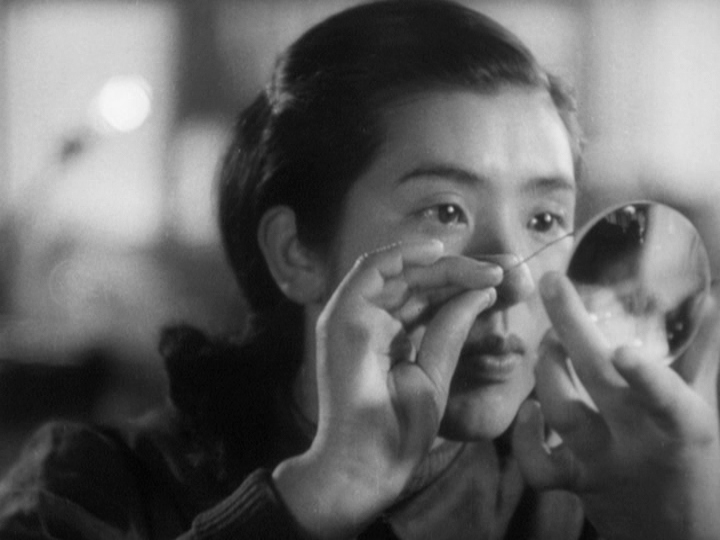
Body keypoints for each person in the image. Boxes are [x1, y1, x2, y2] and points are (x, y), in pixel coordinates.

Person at [1, 1, 719, 539]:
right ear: (297, 253)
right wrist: (315, 496)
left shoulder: (585, 504)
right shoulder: (96, 490)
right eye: (445, 211)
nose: (514, 280)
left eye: (543, 219)